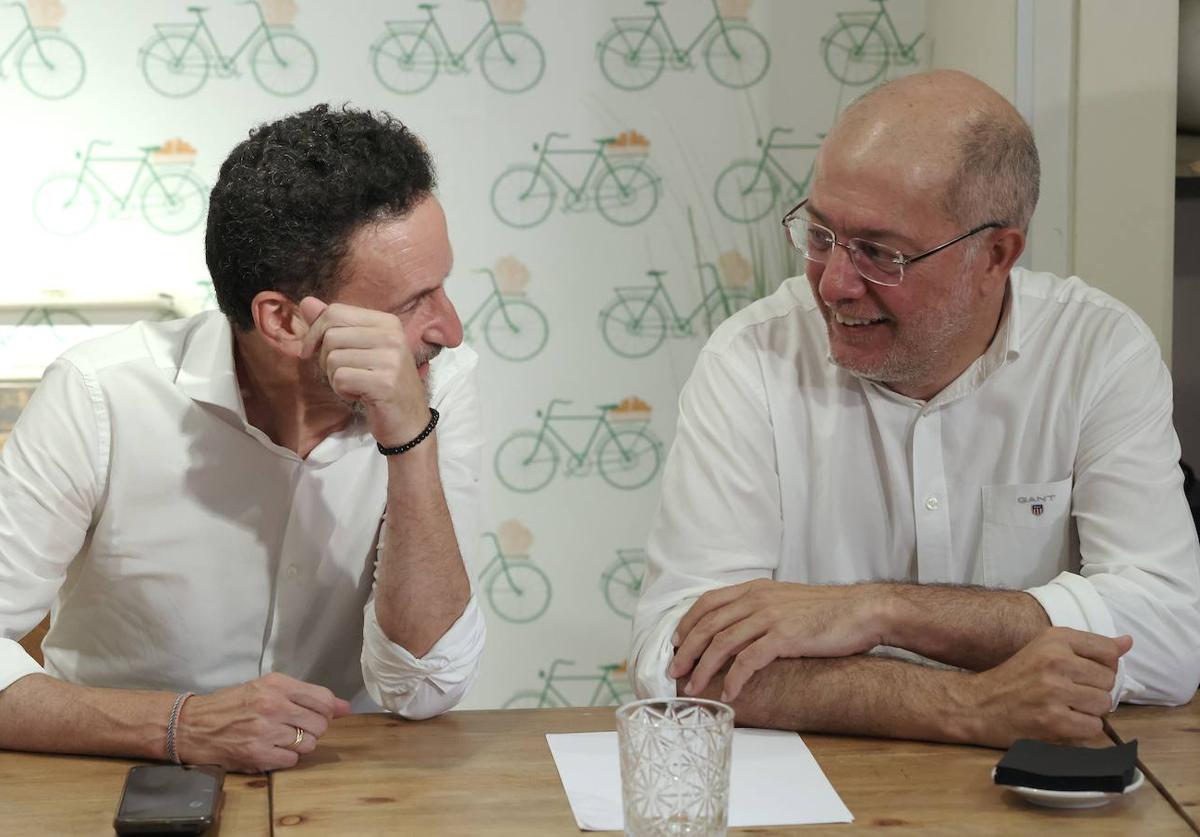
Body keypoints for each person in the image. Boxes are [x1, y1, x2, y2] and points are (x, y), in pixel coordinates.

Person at [631, 70, 1200, 747]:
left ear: (995, 255)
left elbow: (1168, 635)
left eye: (879, 253)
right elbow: (676, 658)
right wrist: (967, 704)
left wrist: (879, 609)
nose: (834, 284)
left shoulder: (1098, 351)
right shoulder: (751, 359)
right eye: (819, 235)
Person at [0, 105, 486, 772]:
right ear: (284, 321)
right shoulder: (99, 395)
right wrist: (178, 725)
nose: (451, 329)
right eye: (411, 303)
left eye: (444, 287)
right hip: (114, 786)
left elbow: (425, 686)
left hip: (351, 792)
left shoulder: (436, 386)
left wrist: (408, 437)